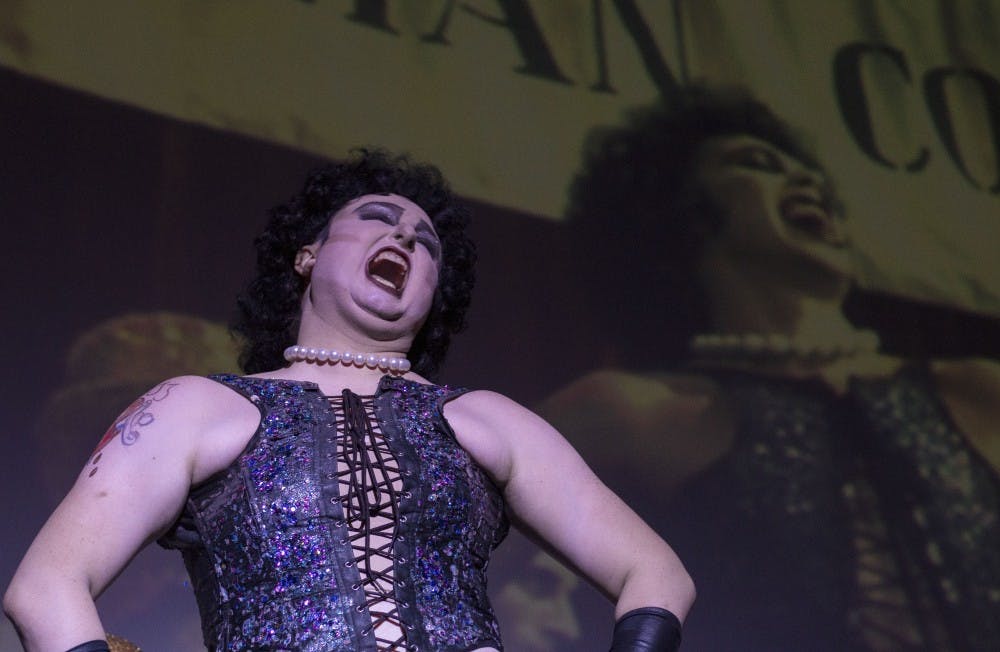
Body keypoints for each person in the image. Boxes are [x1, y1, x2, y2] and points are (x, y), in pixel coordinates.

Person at [4, 149, 695, 652]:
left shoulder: (488, 420)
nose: (405, 238)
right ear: (307, 254)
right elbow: (46, 587)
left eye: (427, 245)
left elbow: (655, 572)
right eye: (377, 219)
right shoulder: (196, 407)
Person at [533, 86, 1000, 651]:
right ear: (681, 215)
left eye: (810, 173)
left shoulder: (980, 392)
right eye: (758, 164)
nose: (807, 182)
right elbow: (453, 563)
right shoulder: (625, 413)